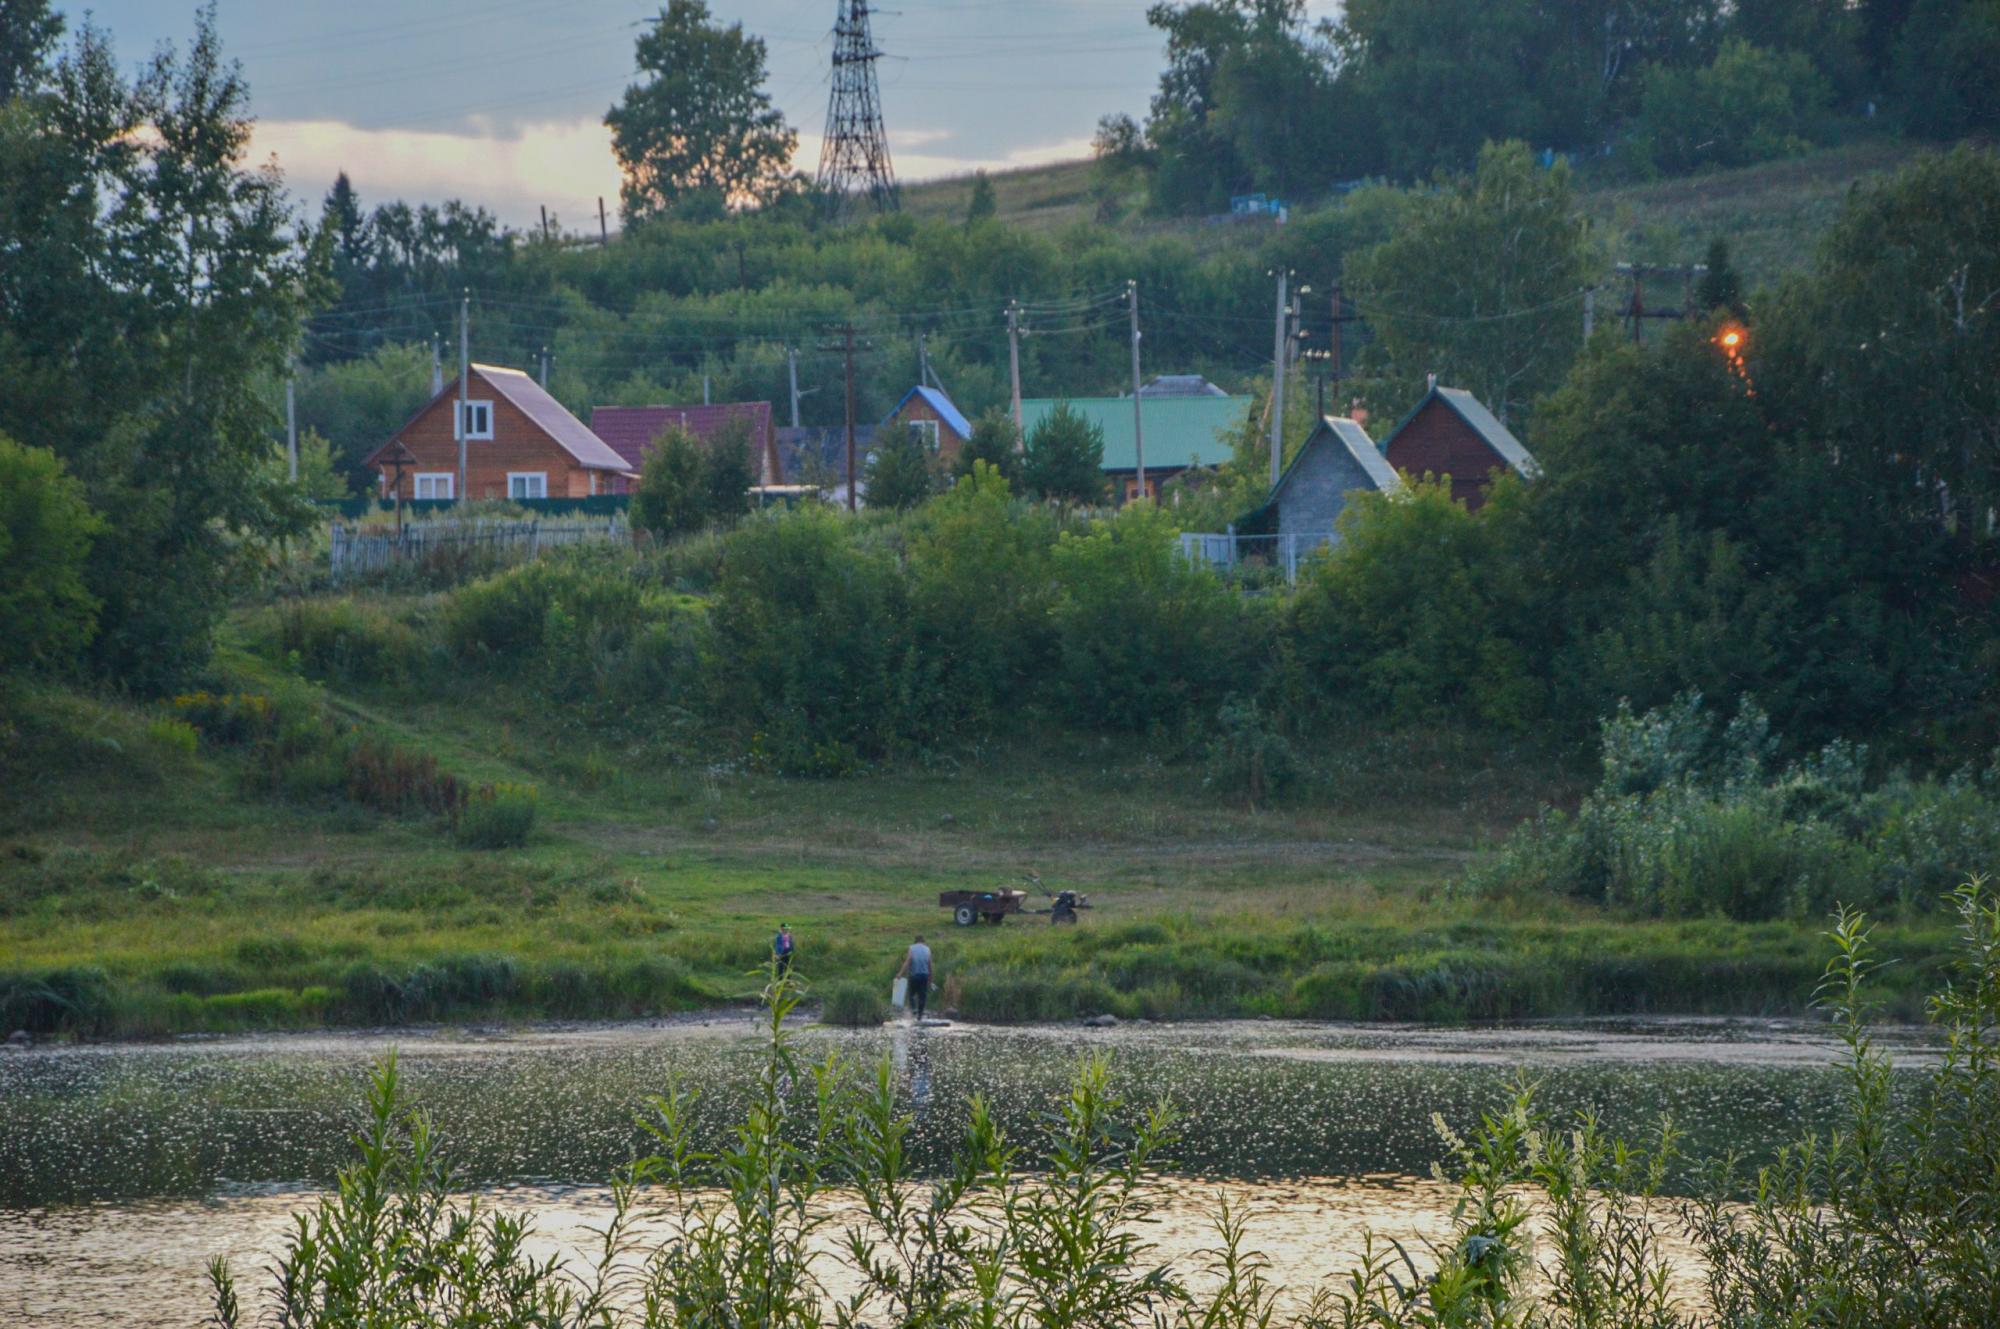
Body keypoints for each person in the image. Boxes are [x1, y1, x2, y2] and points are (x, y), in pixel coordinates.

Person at [896, 934, 933, 1021]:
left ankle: (914, 1010)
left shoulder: (911, 948)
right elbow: (930, 965)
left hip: (914, 975)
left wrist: (900, 974)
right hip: (924, 975)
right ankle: (919, 1016)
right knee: (922, 996)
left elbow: (908, 961)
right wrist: (931, 979)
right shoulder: (927, 949)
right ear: (923, 942)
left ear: (915, 941)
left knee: (912, 994)